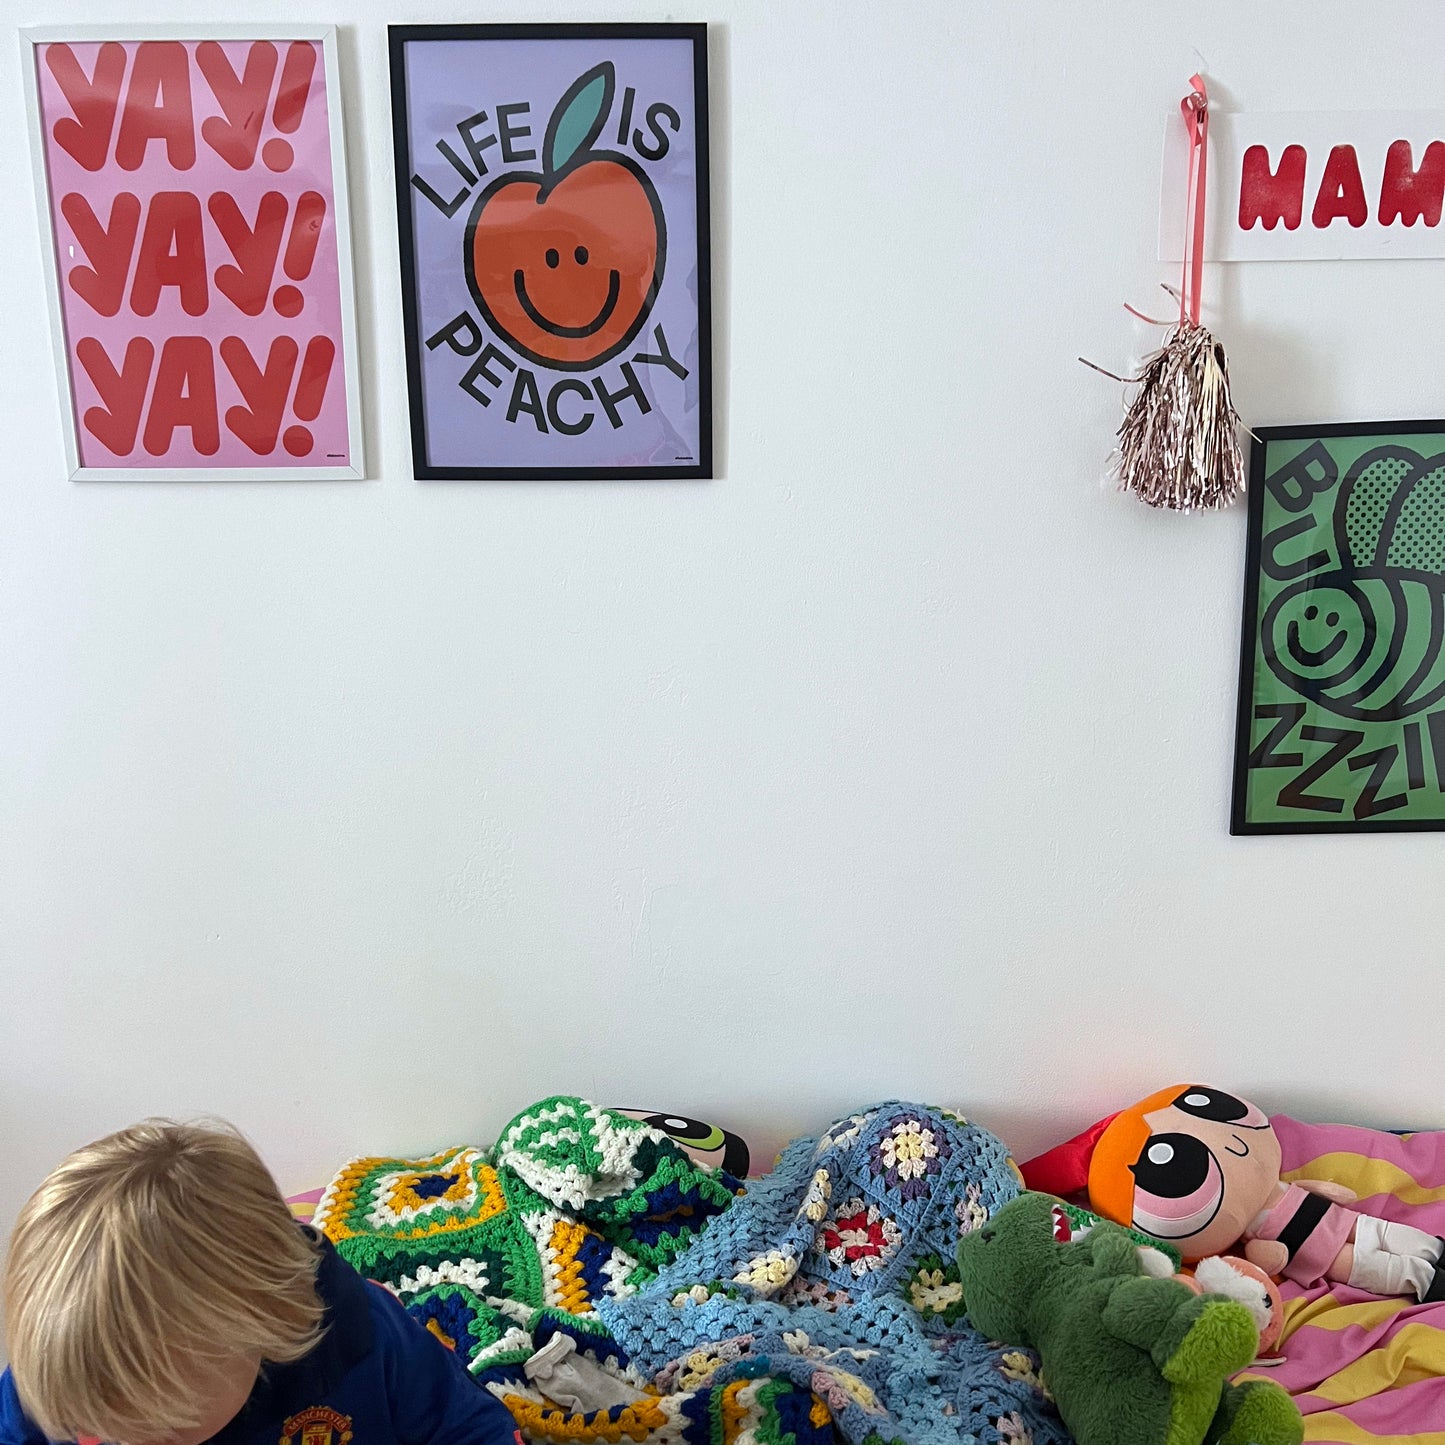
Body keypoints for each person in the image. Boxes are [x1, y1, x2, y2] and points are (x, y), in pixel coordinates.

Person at [0, 1121, 522, 1445]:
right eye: (102, 1433)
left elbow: (472, 1430)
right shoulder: (66, 1368)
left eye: (163, 1430)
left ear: (266, 1324)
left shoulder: (364, 1341)